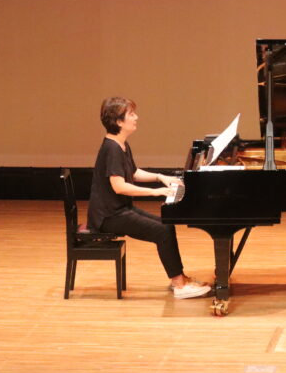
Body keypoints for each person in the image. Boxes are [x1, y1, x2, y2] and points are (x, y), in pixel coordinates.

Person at [88, 96, 211, 299]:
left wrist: (161, 177)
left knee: (166, 226)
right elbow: (119, 187)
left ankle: (180, 278)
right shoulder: (111, 148)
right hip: (109, 216)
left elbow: (134, 173)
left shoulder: (121, 145)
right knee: (162, 231)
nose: (136, 117)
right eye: (131, 114)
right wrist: (156, 192)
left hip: (119, 210)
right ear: (119, 121)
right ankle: (179, 285)